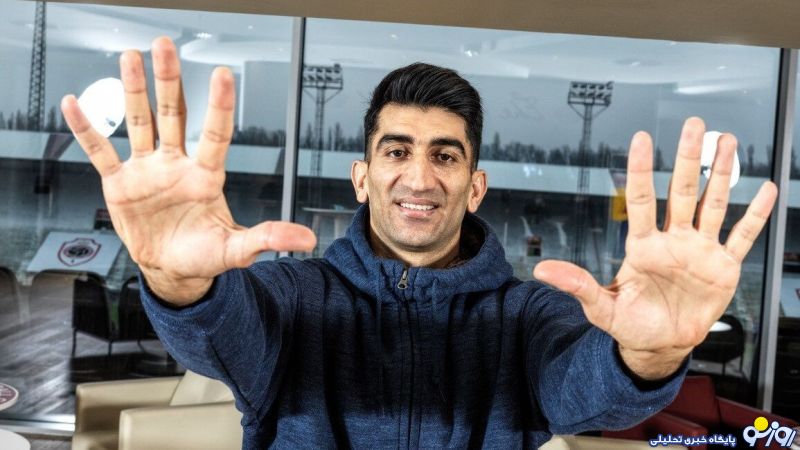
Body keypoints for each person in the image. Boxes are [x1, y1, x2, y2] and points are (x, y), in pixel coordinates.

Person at [60, 37, 777, 449]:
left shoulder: (528, 315)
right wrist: (177, 282)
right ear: (362, 177)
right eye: (397, 151)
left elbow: (586, 394)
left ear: (475, 186)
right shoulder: (294, 296)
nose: (420, 176)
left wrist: (650, 354)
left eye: (445, 155)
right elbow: (221, 335)